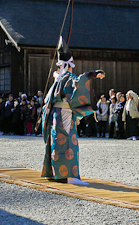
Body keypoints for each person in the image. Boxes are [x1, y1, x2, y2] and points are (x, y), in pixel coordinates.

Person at [41, 37, 105, 184]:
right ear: (70, 64)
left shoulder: (58, 78)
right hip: (64, 113)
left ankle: (57, 174)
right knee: (68, 142)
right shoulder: (68, 76)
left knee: (57, 142)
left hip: (55, 115)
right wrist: (93, 74)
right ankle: (71, 176)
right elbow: (78, 85)